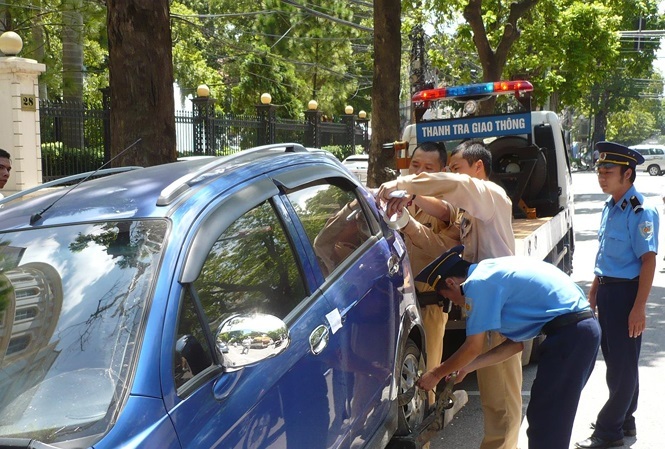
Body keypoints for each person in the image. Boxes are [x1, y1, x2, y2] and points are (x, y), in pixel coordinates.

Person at [378, 139, 522, 449]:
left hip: (500, 306)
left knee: (502, 399)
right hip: (482, 304)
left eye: (456, 168)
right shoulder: (472, 212)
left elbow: (452, 188)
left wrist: (403, 183)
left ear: (478, 168)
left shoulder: (490, 195)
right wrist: (406, 213)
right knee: (491, 396)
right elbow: (439, 229)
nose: (452, 175)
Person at [415, 245, 601, 449]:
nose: (456, 304)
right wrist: (467, 367)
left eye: (449, 298)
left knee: (547, 420)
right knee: (547, 417)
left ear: (452, 282)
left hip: (570, 334)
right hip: (580, 331)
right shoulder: (489, 270)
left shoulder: (478, 285)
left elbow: (472, 347)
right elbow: (514, 346)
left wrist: (436, 373)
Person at [575, 142, 660, 449]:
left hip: (626, 295)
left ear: (628, 173)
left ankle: (608, 432)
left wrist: (639, 308)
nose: (602, 177)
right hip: (609, 292)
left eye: (608, 172)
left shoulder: (640, 210)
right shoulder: (611, 205)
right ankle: (626, 419)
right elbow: (605, 254)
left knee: (622, 367)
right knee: (617, 363)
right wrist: (595, 290)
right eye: (599, 171)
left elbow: (648, 260)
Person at [390, 141, 461, 406]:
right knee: (398, 378)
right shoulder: (399, 194)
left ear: (442, 170)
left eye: (427, 168)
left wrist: (411, 195)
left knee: (425, 378)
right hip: (395, 300)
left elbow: (442, 231)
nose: (418, 173)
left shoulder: (449, 201)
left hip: (428, 304)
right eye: (415, 165)